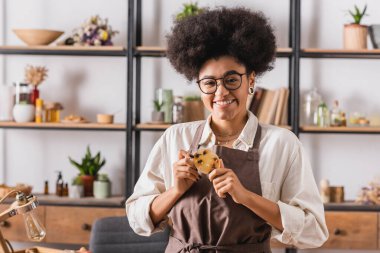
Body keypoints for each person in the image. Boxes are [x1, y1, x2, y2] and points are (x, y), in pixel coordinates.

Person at [126, 7, 328, 252]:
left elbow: (314, 232)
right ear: (199, 86)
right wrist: (175, 190)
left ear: (250, 80)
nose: (221, 93)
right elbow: (137, 220)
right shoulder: (176, 137)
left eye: (232, 80)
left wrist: (245, 197)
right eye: (209, 83)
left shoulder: (283, 144)